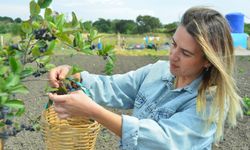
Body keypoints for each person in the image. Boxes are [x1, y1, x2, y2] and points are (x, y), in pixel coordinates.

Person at [48, 7, 243, 150]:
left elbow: (163, 141)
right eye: (173, 44)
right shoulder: (157, 71)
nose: (173, 55)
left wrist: (96, 113)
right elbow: (115, 87)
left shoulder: (210, 101)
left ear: (208, 61)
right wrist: (75, 75)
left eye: (185, 53)